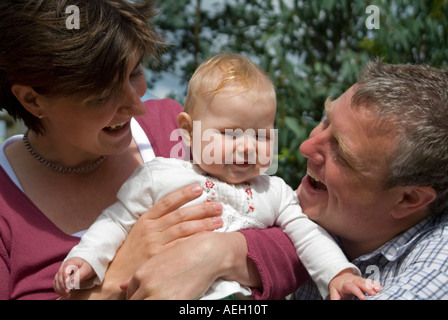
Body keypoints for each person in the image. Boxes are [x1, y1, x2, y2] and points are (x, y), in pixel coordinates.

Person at [0, 0, 304, 300]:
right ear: (32, 99)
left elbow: (297, 245)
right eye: (102, 94)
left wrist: (217, 254)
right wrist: (110, 284)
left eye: (134, 73)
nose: (136, 106)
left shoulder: (175, 130)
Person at [54, 53, 381, 300]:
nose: (247, 148)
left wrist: (337, 273)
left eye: (261, 136)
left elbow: (306, 236)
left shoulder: (274, 192)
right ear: (187, 132)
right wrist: (86, 259)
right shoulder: (161, 175)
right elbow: (115, 221)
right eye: (230, 134)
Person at [294, 60, 448, 299]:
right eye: (325, 121)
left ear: (408, 198)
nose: (306, 146)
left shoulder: (439, 269)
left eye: (341, 152)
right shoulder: (326, 216)